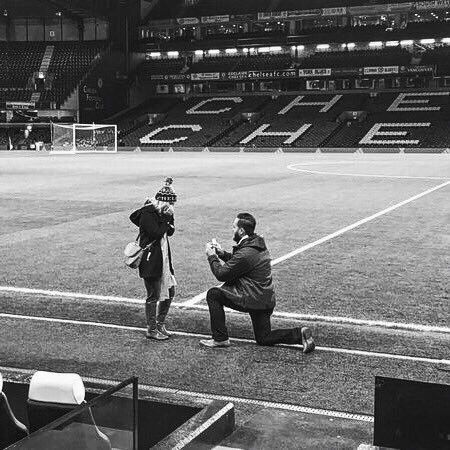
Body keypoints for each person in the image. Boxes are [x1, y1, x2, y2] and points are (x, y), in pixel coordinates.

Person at [201, 212, 315, 353]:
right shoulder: (256, 243)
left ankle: (220, 338)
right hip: (264, 299)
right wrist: (222, 253)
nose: (232, 230)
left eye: (234, 227)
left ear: (241, 230)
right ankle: (300, 334)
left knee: (213, 294)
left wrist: (212, 256)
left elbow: (222, 274)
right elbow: (240, 262)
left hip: (252, 298)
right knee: (264, 338)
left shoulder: (247, 252)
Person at [130, 177, 177, 340]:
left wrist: (169, 219)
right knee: (153, 295)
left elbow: (170, 231)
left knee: (171, 291)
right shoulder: (147, 213)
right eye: (170, 205)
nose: (172, 208)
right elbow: (156, 233)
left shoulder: (164, 213)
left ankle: (160, 323)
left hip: (164, 258)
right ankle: (151, 329)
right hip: (150, 260)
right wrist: (166, 220)